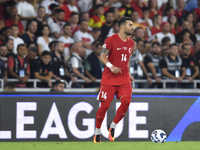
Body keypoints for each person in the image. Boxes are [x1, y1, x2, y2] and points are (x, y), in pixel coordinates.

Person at [94, 17, 134, 143]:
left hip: (123, 78)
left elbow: (125, 61)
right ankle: (97, 131)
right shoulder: (111, 39)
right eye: (130, 25)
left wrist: (129, 73)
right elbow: (102, 55)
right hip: (109, 79)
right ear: (123, 27)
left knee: (126, 101)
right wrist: (111, 66)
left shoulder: (131, 43)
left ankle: (112, 126)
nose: (132, 27)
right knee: (105, 106)